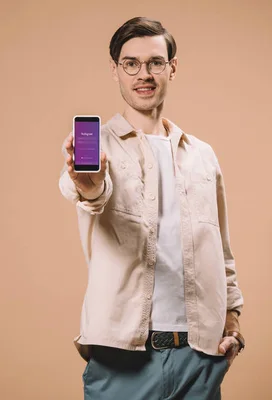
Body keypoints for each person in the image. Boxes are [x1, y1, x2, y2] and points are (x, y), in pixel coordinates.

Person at [58, 16, 245, 400]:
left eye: (155, 62)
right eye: (131, 64)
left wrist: (233, 321)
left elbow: (221, 248)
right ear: (115, 70)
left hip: (199, 359)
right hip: (122, 360)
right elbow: (87, 194)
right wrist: (88, 185)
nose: (143, 74)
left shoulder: (202, 156)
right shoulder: (98, 148)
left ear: (172, 68)